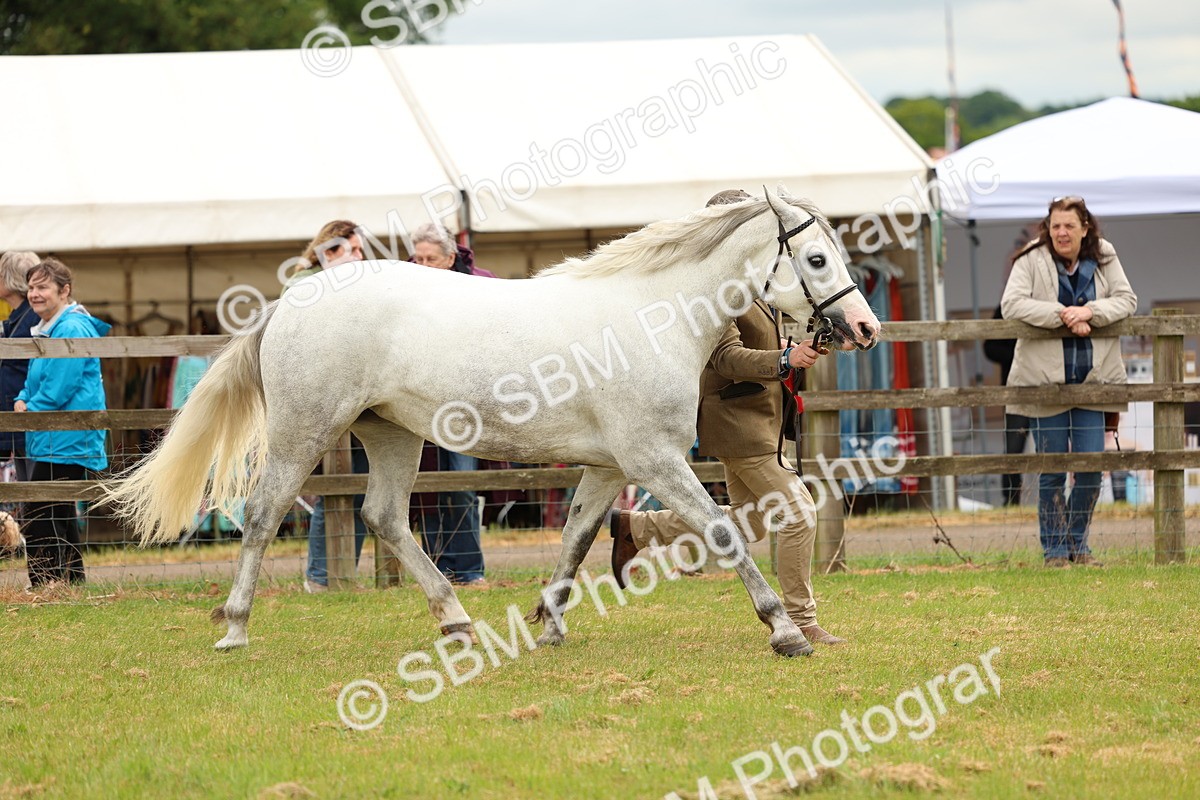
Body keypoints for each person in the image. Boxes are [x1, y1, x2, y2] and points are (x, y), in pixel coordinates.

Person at [610, 188, 843, 647]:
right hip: (740, 425)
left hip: (764, 421)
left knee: (752, 521)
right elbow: (724, 357)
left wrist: (799, 351)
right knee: (798, 514)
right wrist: (783, 359)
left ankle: (638, 528)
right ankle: (801, 618)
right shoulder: (714, 293)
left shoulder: (758, 281)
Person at [1001, 196, 1136, 567]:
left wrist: (1090, 310)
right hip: (1046, 383)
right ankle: (1055, 551)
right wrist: (1063, 314)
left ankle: (1079, 543)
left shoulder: (1105, 255)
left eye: (1069, 226)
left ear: (1085, 229)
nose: (1061, 232)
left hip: (1095, 380)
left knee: (1091, 471)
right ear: (1048, 227)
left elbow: (1127, 299)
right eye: (1055, 225)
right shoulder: (1031, 257)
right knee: (1052, 472)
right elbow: (1011, 304)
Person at [15, 257, 111, 588]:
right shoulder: (51, 328)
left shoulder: (69, 328)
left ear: (64, 290)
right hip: (55, 434)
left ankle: (47, 582)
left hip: (66, 434)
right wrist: (23, 397)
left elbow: (59, 386)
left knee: (41, 509)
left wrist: (30, 407)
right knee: (58, 507)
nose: (34, 294)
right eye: (30, 287)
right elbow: (37, 378)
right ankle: (70, 579)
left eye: (42, 287)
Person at [410, 223, 494, 585]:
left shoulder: (479, 282)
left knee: (461, 484)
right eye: (418, 258)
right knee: (427, 487)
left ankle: (471, 570)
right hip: (417, 402)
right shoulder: (406, 288)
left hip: (465, 404)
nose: (423, 264)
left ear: (449, 258)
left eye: (431, 258)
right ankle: (438, 568)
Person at [288, 221, 369, 593]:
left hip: (364, 404)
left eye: (360, 249)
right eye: (352, 249)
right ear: (330, 251)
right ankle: (320, 576)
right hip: (322, 404)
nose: (360, 256)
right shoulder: (304, 288)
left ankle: (341, 573)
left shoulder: (361, 287)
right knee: (331, 491)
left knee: (363, 488)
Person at [0, 252, 40, 484]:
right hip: (17, 418)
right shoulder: (18, 318)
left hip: (27, 418)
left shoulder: (32, 318)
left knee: (36, 492)